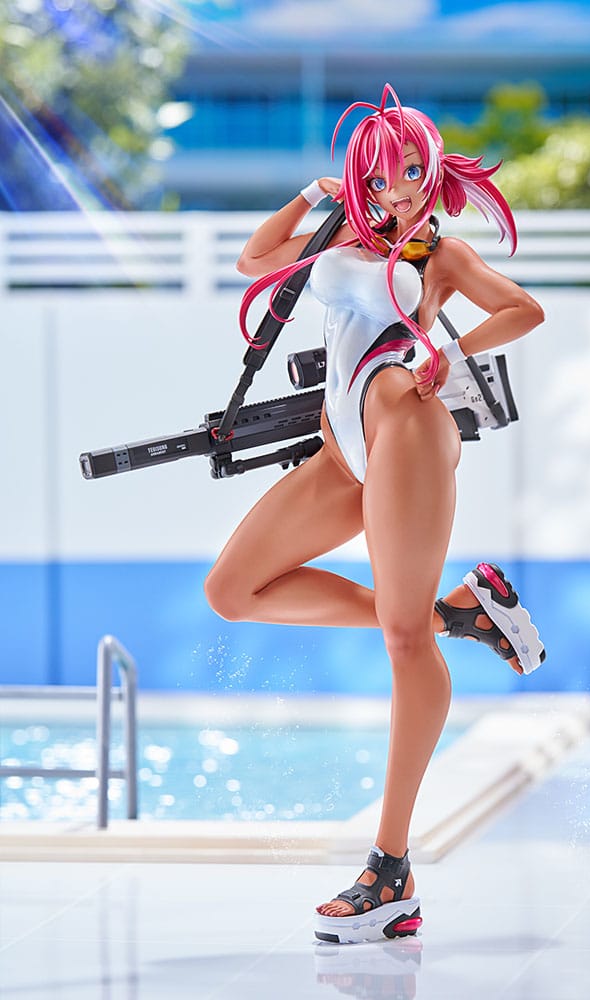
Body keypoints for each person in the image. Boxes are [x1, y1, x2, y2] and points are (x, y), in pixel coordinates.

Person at [204, 85, 545, 944]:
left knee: (401, 641)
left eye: (414, 172)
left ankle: (390, 872)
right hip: (342, 450)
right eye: (384, 176)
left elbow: (523, 309)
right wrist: (309, 198)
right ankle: (460, 613)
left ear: (433, 174)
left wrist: (449, 349)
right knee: (233, 590)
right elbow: (253, 259)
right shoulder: (339, 236)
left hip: (408, 432)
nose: (400, 190)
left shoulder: (440, 253)